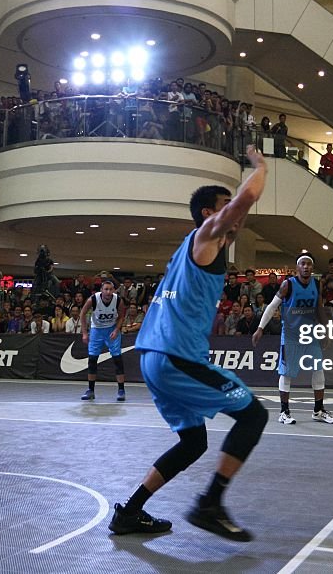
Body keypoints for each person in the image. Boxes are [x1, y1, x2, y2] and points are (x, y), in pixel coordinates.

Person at [109, 144, 269, 541]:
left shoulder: (198, 246)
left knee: (194, 441)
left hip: (155, 356)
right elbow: (248, 197)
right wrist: (261, 165)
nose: (235, 211)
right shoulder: (205, 235)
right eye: (225, 206)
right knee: (254, 416)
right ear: (208, 214)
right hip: (176, 355)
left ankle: (130, 513)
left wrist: (238, 210)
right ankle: (209, 503)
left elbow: (241, 214)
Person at [252, 255, 333, 425]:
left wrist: (327, 331)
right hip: (291, 335)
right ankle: (284, 412)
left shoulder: (316, 284)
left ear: (312, 268)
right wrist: (260, 328)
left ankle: (318, 410)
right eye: (303, 264)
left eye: (309, 264)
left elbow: (319, 308)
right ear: (297, 267)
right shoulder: (288, 284)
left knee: (318, 369)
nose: (306, 267)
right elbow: (271, 307)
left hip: (310, 334)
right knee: (287, 373)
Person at [80, 279, 127, 402]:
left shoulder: (118, 300)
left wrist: (117, 330)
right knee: (92, 360)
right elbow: (82, 313)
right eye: (106, 289)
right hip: (97, 330)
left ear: (114, 290)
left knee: (117, 359)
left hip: (111, 329)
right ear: (101, 290)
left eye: (110, 289)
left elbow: (122, 316)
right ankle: (90, 390)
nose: (108, 292)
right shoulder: (93, 299)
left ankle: (121, 390)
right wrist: (85, 333)